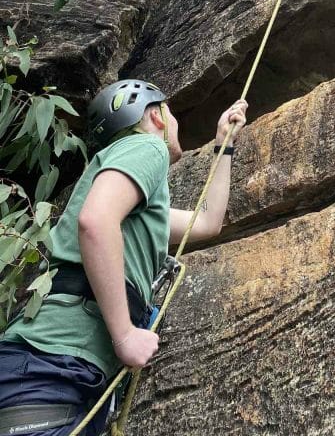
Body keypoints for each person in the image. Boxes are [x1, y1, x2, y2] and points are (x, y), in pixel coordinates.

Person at [0, 79, 248, 436]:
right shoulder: (147, 147)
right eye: (172, 112)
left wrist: (224, 146)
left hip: (51, 372)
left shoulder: (138, 209)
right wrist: (125, 336)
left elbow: (207, 222)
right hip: (50, 368)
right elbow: (96, 222)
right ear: (156, 116)